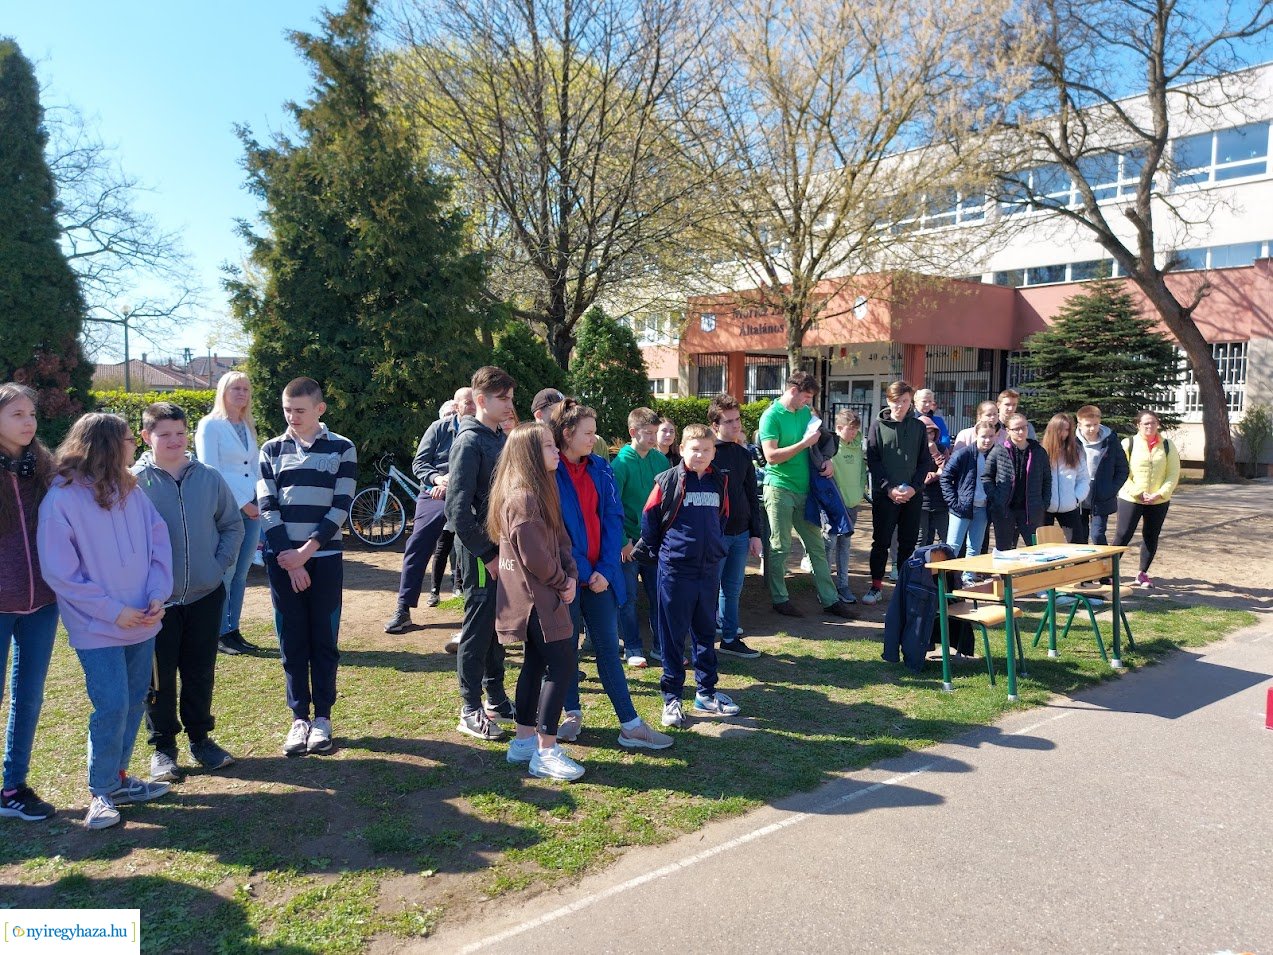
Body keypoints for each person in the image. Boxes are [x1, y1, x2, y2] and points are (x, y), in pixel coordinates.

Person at [38, 413, 173, 830]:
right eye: (129, 439)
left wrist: (156, 594)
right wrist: (113, 611)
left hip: (143, 621)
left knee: (134, 702)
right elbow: (61, 573)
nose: (136, 444)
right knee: (111, 704)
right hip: (96, 627)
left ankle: (117, 779)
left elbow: (158, 541)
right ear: (106, 446)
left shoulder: (132, 489)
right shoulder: (60, 499)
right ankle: (99, 792)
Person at [552, 399, 673, 750]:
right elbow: (556, 530)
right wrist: (585, 572)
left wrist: (605, 569)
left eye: (594, 431)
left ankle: (631, 725)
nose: (594, 438)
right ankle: (571, 712)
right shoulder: (549, 470)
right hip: (569, 579)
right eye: (588, 433)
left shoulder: (601, 468)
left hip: (600, 578)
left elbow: (612, 519)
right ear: (567, 434)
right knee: (566, 649)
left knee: (607, 648)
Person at [133, 403, 244, 782]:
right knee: (158, 680)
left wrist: (216, 567)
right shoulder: (133, 483)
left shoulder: (208, 477)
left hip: (204, 595)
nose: (175, 441)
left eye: (180, 432)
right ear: (147, 437)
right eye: (165, 434)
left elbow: (231, 525)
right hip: (155, 604)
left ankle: (201, 741)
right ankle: (164, 749)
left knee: (199, 672)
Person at [257, 377, 358, 757]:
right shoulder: (271, 449)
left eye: (300, 410)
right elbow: (267, 506)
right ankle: (299, 717)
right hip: (282, 562)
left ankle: (324, 718)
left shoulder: (342, 449)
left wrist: (308, 551)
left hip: (325, 560)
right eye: (287, 410)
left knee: (323, 639)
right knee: (292, 640)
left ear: (320, 409)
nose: (292, 417)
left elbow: (341, 505)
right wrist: (290, 557)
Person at [488, 423, 585, 781]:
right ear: (529, 454)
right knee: (561, 668)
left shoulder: (536, 493)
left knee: (535, 665)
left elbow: (561, 542)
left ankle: (524, 740)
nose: (556, 450)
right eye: (547, 445)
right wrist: (563, 583)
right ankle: (545, 750)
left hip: (538, 599)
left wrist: (571, 572)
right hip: (539, 603)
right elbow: (537, 557)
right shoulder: (524, 498)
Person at [634, 424, 740, 728]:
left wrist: (716, 547)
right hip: (675, 571)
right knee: (672, 635)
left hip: (708, 571)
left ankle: (706, 692)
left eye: (707, 450)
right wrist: (662, 554)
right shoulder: (668, 481)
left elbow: (723, 518)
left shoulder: (718, 481)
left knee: (706, 632)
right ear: (682, 449)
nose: (701, 455)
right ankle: (672, 698)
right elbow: (649, 518)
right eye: (695, 449)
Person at [447, 366, 517, 741]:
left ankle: (496, 698)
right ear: (480, 401)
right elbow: (457, 510)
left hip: (500, 549)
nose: (509, 405)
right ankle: (469, 707)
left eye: (510, 398)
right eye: (502, 399)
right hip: (479, 553)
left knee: (495, 627)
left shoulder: (498, 438)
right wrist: (487, 555)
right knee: (477, 629)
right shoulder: (469, 442)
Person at [0, 384, 59, 823]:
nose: (28, 421)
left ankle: (13, 786)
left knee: (29, 697)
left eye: (31, 414)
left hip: (42, 604)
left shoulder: (44, 467)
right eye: (17, 413)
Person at [759, 372, 854, 618]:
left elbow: (818, 446)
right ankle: (780, 599)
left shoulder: (804, 414)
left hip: (805, 491)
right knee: (780, 546)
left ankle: (830, 600)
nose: (808, 403)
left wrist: (828, 463)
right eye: (806, 397)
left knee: (816, 546)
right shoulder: (770, 417)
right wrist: (803, 443)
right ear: (793, 391)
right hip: (779, 488)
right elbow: (771, 456)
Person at [384, 386, 475, 634]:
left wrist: (454, 482)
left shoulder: (484, 431)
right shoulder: (438, 429)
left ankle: (480, 610)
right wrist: (437, 479)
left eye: (476, 401)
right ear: (456, 406)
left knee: (479, 545)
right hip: (435, 493)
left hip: (469, 493)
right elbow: (420, 463)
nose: (473, 407)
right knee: (418, 542)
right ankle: (403, 608)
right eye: (468, 403)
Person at [195, 371, 262, 656]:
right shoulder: (210, 425)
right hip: (226, 509)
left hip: (253, 509)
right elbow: (211, 469)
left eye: (246, 389)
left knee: (242, 572)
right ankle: (219, 631)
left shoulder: (247, 425)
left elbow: (254, 467)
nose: (241, 393)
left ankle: (233, 630)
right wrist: (244, 502)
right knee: (226, 570)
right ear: (222, 391)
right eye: (235, 388)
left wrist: (260, 499)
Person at [864, 380, 933, 605]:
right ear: (888, 400)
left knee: (908, 543)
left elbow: (925, 462)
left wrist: (914, 488)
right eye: (896, 401)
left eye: (904, 401)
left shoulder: (919, 426)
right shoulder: (877, 426)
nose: (900, 406)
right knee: (881, 542)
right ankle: (875, 587)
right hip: (885, 496)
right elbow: (873, 461)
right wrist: (889, 488)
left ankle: (904, 589)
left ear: (910, 402)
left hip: (912, 495)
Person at [611, 407, 670, 667]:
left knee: (660, 595)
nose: (653, 438)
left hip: (654, 541)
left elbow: (667, 501)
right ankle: (633, 647)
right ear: (633, 432)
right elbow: (611, 507)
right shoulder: (620, 464)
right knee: (628, 598)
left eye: (655, 433)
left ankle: (661, 646)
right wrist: (623, 540)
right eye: (648, 433)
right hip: (628, 543)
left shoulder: (660, 461)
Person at [708, 395, 764, 656]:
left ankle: (730, 638)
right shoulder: (706, 455)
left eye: (738, 420)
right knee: (708, 590)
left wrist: (756, 534)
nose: (735, 426)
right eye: (728, 421)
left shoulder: (743, 454)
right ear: (714, 425)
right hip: (714, 536)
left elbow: (753, 496)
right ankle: (704, 641)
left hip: (741, 534)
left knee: (732, 590)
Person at [1113, 410, 1180, 587]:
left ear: (1158, 424)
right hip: (1131, 498)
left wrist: (1161, 493)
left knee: (1151, 536)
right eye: (1146, 424)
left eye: (1153, 423)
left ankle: (1142, 573)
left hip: (1158, 500)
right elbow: (1121, 473)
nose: (1150, 426)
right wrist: (1137, 492)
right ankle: (1110, 572)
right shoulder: (1129, 443)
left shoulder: (1167, 445)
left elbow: (1173, 474)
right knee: (1123, 534)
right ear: (1138, 425)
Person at [941, 421, 997, 585]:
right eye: (983, 436)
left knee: (975, 546)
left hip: (983, 508)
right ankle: (946, 580)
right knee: (953, 546)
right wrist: (954, 503)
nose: (987, 440)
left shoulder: (995, 456)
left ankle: (968, 577)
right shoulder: (963, 454)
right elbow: (945, 478)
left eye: (991, 436)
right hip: (962, 508)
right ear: (976, 435)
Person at [986, 412, 1051, 549]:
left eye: (1024, 427)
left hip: (1031, 510)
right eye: (1016, 429)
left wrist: (1043, 503)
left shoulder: (1038, 451)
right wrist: (995, 498)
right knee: (1005, 550)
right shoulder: (999, 450)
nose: (1021, 431)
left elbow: (1047, 479)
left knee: (1036, 549)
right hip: (1005, 510)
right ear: (1008, 430)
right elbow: (987, 476)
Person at [824, 408, 867, 605]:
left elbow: (860, 472)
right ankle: (825, 587)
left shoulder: (858, 446)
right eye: (850, 429)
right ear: (839, 428)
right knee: (829, 545)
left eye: (856, 429)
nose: (854, 433)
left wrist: (858, 494)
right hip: (834, 504)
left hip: (852, 504)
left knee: (845, 545)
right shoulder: (829, 446)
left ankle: (843, 585)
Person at [1076, 405, 1130, 546]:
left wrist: (1111, 489)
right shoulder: (1072, 442)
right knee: (1080, 536)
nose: (1092, 429)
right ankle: (1081, 565)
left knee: (1097, 534)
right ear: (1079, 425)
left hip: (1102, 495)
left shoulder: (1110, 441)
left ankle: (1105, 564)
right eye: (1088, 425)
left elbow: (1123, 469)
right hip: (1078, 495)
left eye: (1095, 424)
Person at [1041, 412, 1091, 542]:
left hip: (1069, 505)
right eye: (1060, 429)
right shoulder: (1041, 451)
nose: (1063, 433)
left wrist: (1076, 498)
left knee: (1078, 544)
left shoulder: (1076, 451)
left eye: (1067, 429)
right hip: (1046, 507)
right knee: (1045, 547)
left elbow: (1083, 478)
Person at [917, 414, 950, 546]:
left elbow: (947, 470)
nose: (928, 436)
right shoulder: (914, 450)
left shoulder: (942, 448)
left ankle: (945, 565)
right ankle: (918, 566)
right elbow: (917, 475)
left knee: (945, 535)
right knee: (921, 537)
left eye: (931, 433)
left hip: (940, 499)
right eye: (925, 433)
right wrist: (931, 475)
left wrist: (935, 453)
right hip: (921, 499)